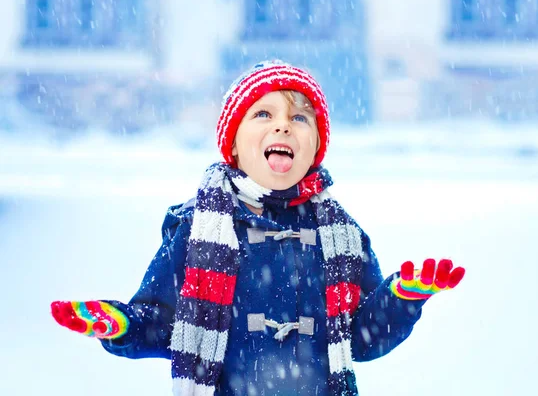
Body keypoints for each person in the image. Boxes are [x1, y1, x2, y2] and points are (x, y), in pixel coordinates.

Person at [50, 60, 465, 396]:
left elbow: (362, 336)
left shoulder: (341, 234)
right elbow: (162, 323)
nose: (283, 125)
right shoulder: (199, 230)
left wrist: (402, 297)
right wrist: (121, 324)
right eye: (263, 113)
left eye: (300, 117)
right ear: (232, 143)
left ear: (316, 147)